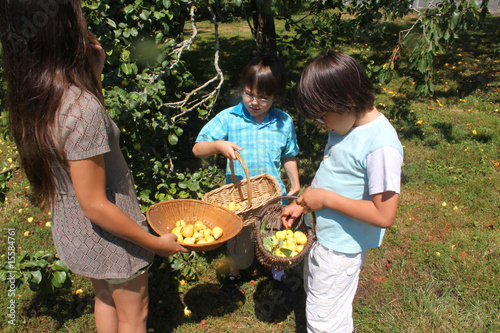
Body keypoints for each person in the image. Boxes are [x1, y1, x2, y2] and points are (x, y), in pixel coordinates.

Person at [0, 1, 187, 332]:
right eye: (76, 15)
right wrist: (155, 243)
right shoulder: (79, 106)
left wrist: (93, 77)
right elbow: (96, 205)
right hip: (110, 234)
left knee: (105, 297)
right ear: (62, 29)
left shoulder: (35, 96)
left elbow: (78, 140)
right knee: (134, 313)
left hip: (76, 233)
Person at [281, 50, 404, 332]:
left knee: (324, 321)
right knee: (324, 302)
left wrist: (324, 199)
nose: (322, 125)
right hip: (325, 238)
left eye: (323, 116)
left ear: (346, 102)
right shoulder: (345, 127)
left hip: (341, 250)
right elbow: (334, 175)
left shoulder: (381, 147)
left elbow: (384, 215)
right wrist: (303, 202)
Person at [192, 54, 300, 302]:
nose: (255, 102)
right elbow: (198, 148)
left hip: (272, 197)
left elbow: (289, 154)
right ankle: (235, 273)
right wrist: (218, 145)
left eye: (264, 97)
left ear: (276, 95)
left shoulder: (283, 121)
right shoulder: (229, 118)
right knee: (239, 241)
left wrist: (294, 183)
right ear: (242, 88)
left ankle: (278, 274)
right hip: (239, 201)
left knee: (274, 235)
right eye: (249, 94)